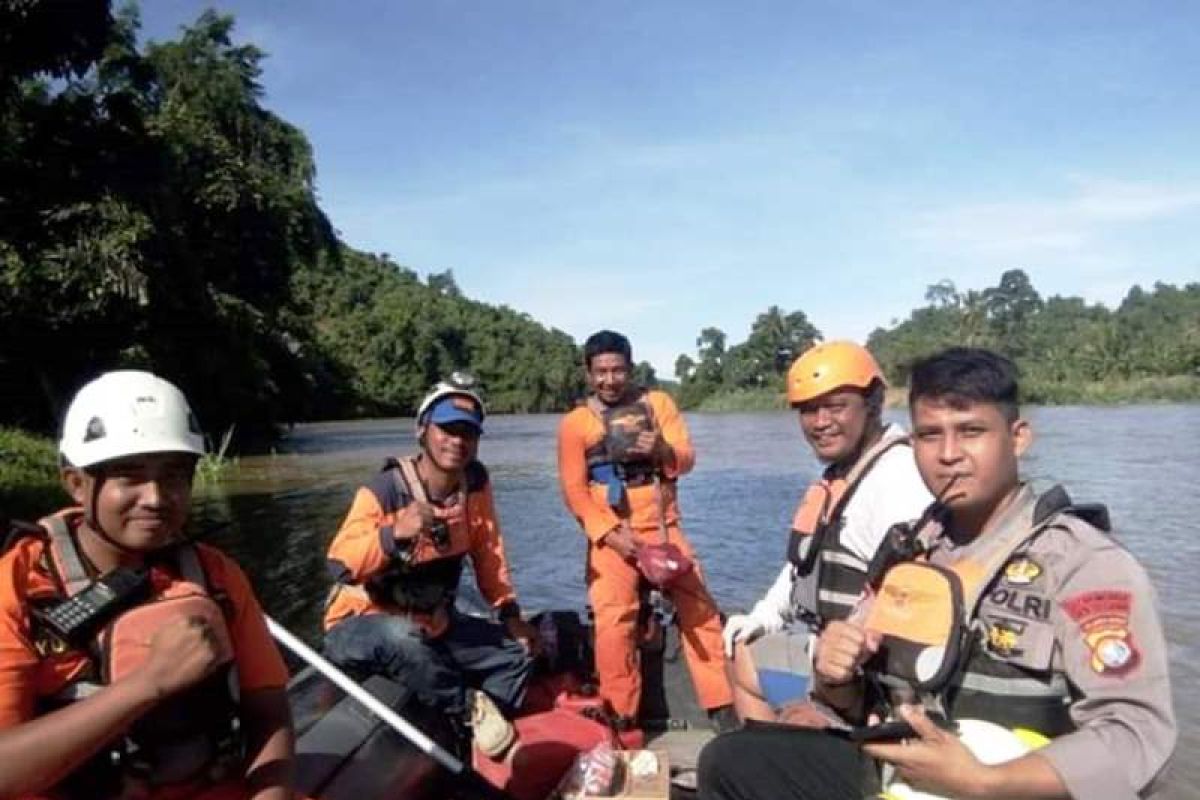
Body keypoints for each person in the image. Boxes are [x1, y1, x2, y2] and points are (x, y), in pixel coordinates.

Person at [698, 347, 1177, 800]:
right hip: (908, 767)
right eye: (930, 434)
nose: (948, 454)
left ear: (1018, 437)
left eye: (970, 432)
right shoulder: (912, 548)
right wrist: (835, 678)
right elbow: (858, 695)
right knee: (730, 760)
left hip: (1011, 785)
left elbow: (1136, 733)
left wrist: (985, 781)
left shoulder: (1084, 565)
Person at [0, 370, 296, 800]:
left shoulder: (215, 574)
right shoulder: (19, 586)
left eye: (174, 475)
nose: (157, 497)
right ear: (77, 485)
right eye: (130, 475)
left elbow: (268, 709)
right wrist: (149, 683)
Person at [322, 374, 539, 759]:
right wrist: (393, 534)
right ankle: (468, 709)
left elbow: (490, 555)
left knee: (517, 655)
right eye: (447, 430)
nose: (457, 441)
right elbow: (339, 564)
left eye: (468, 433)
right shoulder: (385, 488)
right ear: (423, 430)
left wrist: (509, 613)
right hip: (361, 622)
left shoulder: (475, 485)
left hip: (432, 621)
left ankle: (461, 739)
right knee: (401, 639)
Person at [721, 341, 931, 723]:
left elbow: (911, 597)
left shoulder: (897, 479)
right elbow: (804, 562)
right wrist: (764, 616)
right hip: (821, 646)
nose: (820, 422)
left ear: (873, 403)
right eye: (808, 410)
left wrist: (845, 654)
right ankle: (765, 754)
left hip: (865, 672)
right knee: (742, 654)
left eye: (836, 407)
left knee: (788, 710)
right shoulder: (845, 473)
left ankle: (783, 757)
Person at [557, 330, 734, 731]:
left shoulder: (659, 405)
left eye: (617, 370)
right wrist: (608, 532)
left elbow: (686, 460)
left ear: (630, 369)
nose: (609, 380)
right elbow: (574, 491)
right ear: (588, 374)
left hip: (663, 530)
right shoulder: (575, 423)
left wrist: (662, 452)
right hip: (611, 537)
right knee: (613, 620)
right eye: (600, 371)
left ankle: (722, 704)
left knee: (699, 606)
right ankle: (621, 716)